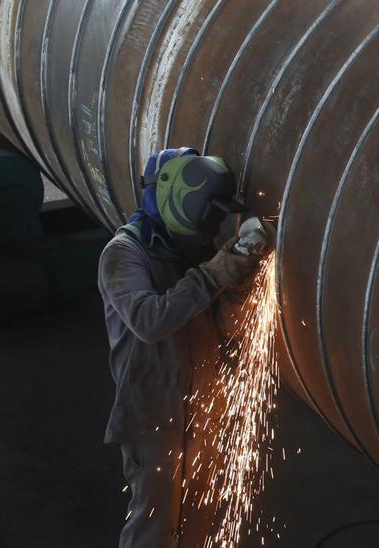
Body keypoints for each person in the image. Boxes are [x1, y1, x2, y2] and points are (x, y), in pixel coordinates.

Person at [98, 148, 270, 548]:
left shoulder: (192, 249)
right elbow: (149, 320)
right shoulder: (123, 254)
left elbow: (227, 325)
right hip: (152, 412)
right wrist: (217, 273)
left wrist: (241, 280)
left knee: (200, 522)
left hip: (203, 404)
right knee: (154, 527)